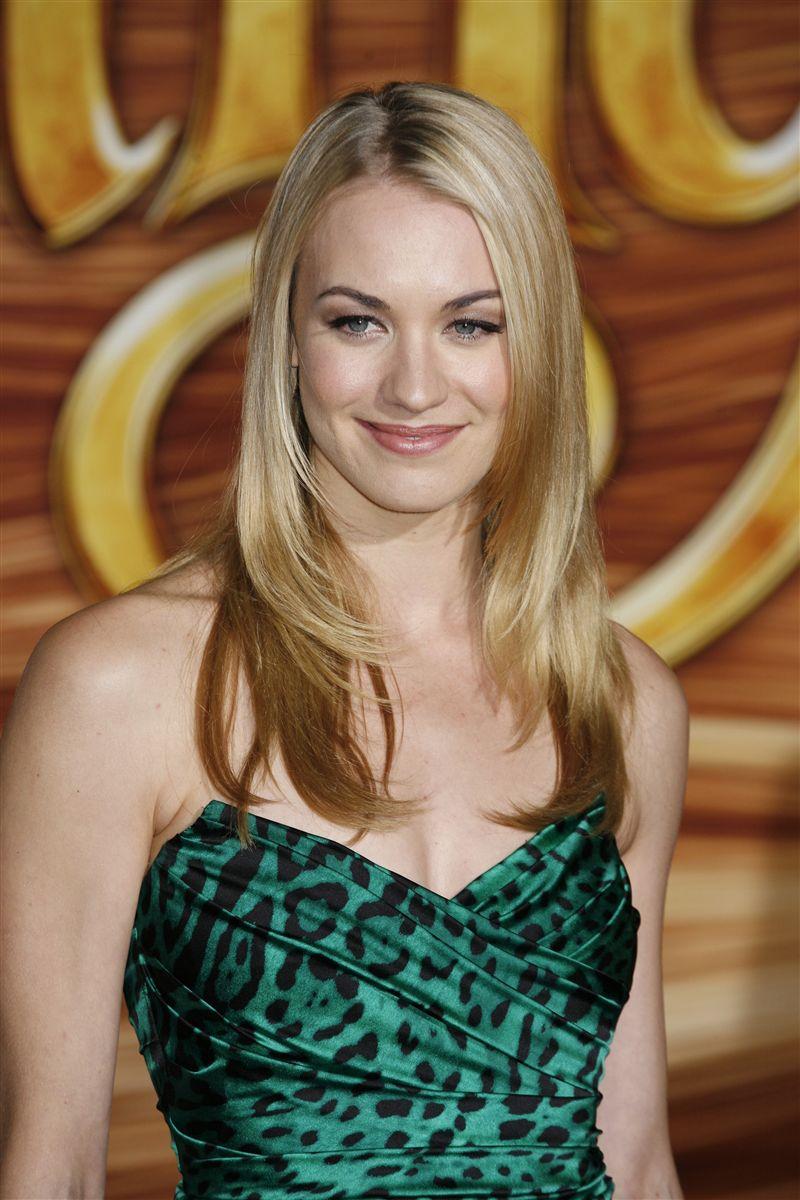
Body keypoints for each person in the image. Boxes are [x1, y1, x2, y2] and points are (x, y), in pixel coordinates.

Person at [0, 81, 687, 1199]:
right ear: (285, 340)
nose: (413, 386)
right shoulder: (118, 686)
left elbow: (639, 1156)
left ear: (540, 347)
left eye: (472, 323)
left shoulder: (620, 699)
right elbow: (53, 1167)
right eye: (357, 321)